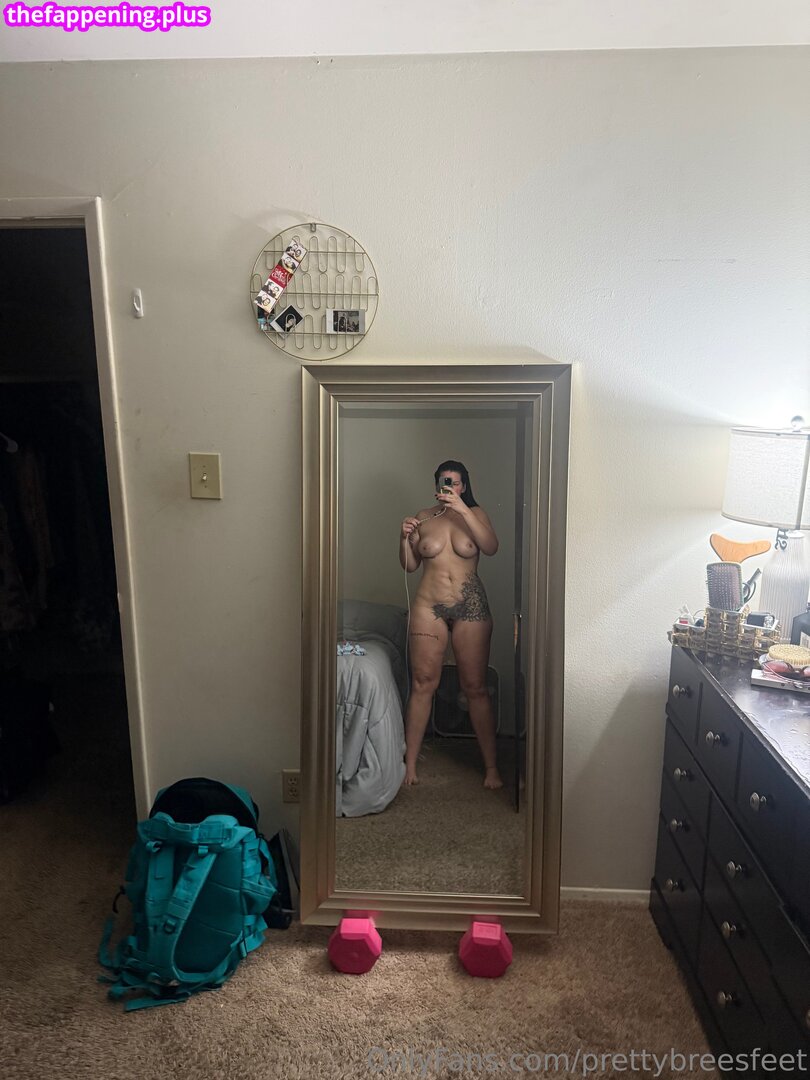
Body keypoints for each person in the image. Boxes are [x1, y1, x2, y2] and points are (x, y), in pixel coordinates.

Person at [399, 460, 502, 789]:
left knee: (475, 687)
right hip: (428, 606)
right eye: (444, 481)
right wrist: (404, 538)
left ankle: (492, 769)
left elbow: (491, 547)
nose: (450, 487)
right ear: (436, 484)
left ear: (464, 486)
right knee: (422, 683)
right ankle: (409, 766)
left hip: (470, 606)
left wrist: (463, 510)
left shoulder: (476, 514)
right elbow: (409, 565)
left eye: (455, 482)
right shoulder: (424, 517)